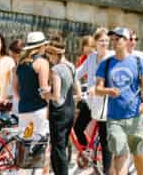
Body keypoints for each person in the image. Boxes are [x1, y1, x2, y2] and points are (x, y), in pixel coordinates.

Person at [94, 27, 143, 175]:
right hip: (114, 118)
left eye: (117, 39)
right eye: (112, 39)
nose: (113, 42)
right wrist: (108, 91)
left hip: (135, 116)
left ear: (126, 41)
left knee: (138, 154)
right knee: (119, 154)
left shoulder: (138, 62)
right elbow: (97, 89)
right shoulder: (105, 64)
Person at [76, 28, 112, 174]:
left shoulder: (112, 57)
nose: (104, 43)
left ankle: (107, 171)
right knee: (78, 127)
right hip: (91, 101)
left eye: (106, 41)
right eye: (101, 41)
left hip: (105, 102)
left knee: (105, 141)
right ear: (95, 43)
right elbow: (76, 74)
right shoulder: (91, 57)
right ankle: (87, 152)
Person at [47, 35, 80, 175]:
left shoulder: (56, 70)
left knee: (58, 149)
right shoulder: (71, 66)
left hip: (59, 113)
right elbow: (77, 93)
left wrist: (44, 94)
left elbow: (56, 95)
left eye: (49, 54)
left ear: (54, 54)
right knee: (63, 147)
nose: (48, 57)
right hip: (70, 111)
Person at [13, 31, 53, 140]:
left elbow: (15, 90)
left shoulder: (19, 64)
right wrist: (52, 92)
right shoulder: (42, 63)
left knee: (25, 142)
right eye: (44, 45)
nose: (45, 47)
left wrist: (26, 98)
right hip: (38, 109)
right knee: (38, 146)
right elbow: (43, 90)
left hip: (23, 109)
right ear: (40, 47)